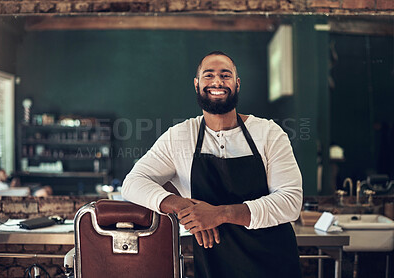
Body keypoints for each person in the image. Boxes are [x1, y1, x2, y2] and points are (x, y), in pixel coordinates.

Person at [122, 51, 303, 278]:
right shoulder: (180, 136)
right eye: (209, 75)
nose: (217, 82)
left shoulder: (268, 132)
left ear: (237, 84)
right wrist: (182, 206)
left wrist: (220, 214)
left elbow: (290, 202)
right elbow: (132, 183)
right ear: (197, 84)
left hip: (272, 262)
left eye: (225, 75)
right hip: (214, 264)